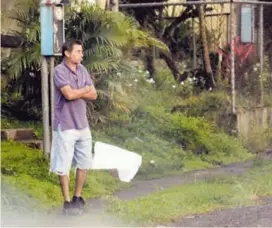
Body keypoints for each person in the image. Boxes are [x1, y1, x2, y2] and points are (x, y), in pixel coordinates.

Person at [49, 39, 97, 214]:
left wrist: (82, 91)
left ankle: (77, 197)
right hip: (66, 124)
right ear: (67, 53)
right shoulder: (59, 71)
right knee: (63, 164)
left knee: (84, 162)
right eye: (77, 51)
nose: (81, 54)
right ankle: (67, 202)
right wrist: (84, 90)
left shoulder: (82, 69)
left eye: (81, 51)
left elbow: (95, 94)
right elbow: (68, 95)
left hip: (82, 124)